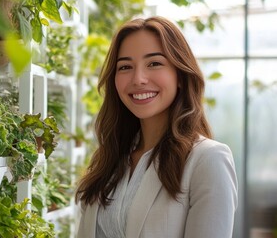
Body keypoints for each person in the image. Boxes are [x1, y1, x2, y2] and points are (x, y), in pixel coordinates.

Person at [75, 16, 238, 238]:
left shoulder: (207, 160)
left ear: (180, 75)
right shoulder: (110, 159)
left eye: (154, 63)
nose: (138, 78)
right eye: (125, 67)